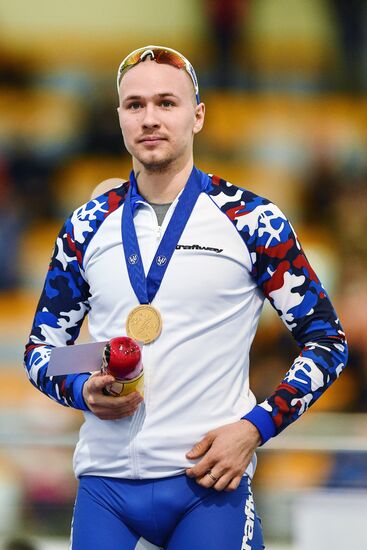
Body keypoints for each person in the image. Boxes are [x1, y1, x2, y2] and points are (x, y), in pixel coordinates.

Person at [24, 45, 348, 550]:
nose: (150, 118)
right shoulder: (86, 225)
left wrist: (255, 427)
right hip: (104, 488)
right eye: (135, 105)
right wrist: (83, 385)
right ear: (119, 118)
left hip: (207, 484)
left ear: (197, 115)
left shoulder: (252, 220)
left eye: (166, 103)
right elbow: (42, 352)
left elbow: (328, 341)